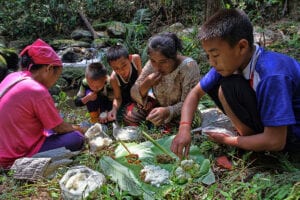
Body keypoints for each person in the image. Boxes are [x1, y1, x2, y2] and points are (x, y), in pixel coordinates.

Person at [171, 8, 300, 159]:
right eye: (208, 56)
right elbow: (195, 93)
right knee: (224, 86)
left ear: (242, 47)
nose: (212, 62)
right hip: (274, 132)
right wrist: (184, 129)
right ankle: (252, 140)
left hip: (292, 137)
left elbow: (276, 141)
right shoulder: (232, 64)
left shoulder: (272, 75)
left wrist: (228, 140)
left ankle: (256, 147)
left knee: (227, 88)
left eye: (215, 55)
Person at [0, 39, 84, 169]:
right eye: (57, 75)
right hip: (14, 156)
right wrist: (79, 129)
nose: (56, 81)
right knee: (76, 138)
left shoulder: (13, 77)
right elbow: (59, 128)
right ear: (49, 69)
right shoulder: (37, 90)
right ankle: (25, 162)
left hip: (4, 149)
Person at [128, 32, 200, 129]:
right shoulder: (152, 64)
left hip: (184, 112)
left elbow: (190, 102)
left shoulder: (188, 67)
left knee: (177, 127)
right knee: (130, 115)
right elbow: (134, 90)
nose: (157, 67)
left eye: (163, 62)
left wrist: (168, 111)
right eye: (153, 61)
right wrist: (146, 84)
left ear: (174, 56)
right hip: (159, 106)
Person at [106, 45, 142, 122]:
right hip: (127, 99)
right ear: (111, 67)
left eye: (124, 65)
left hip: (139, 92)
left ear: (129, 58)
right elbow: (118, 98)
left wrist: (140, 99)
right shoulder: (114, 78)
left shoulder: (136, 59)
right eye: (116, 68)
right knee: (127, 117)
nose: (121, 71)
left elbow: (141, 79)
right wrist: (114, 109)